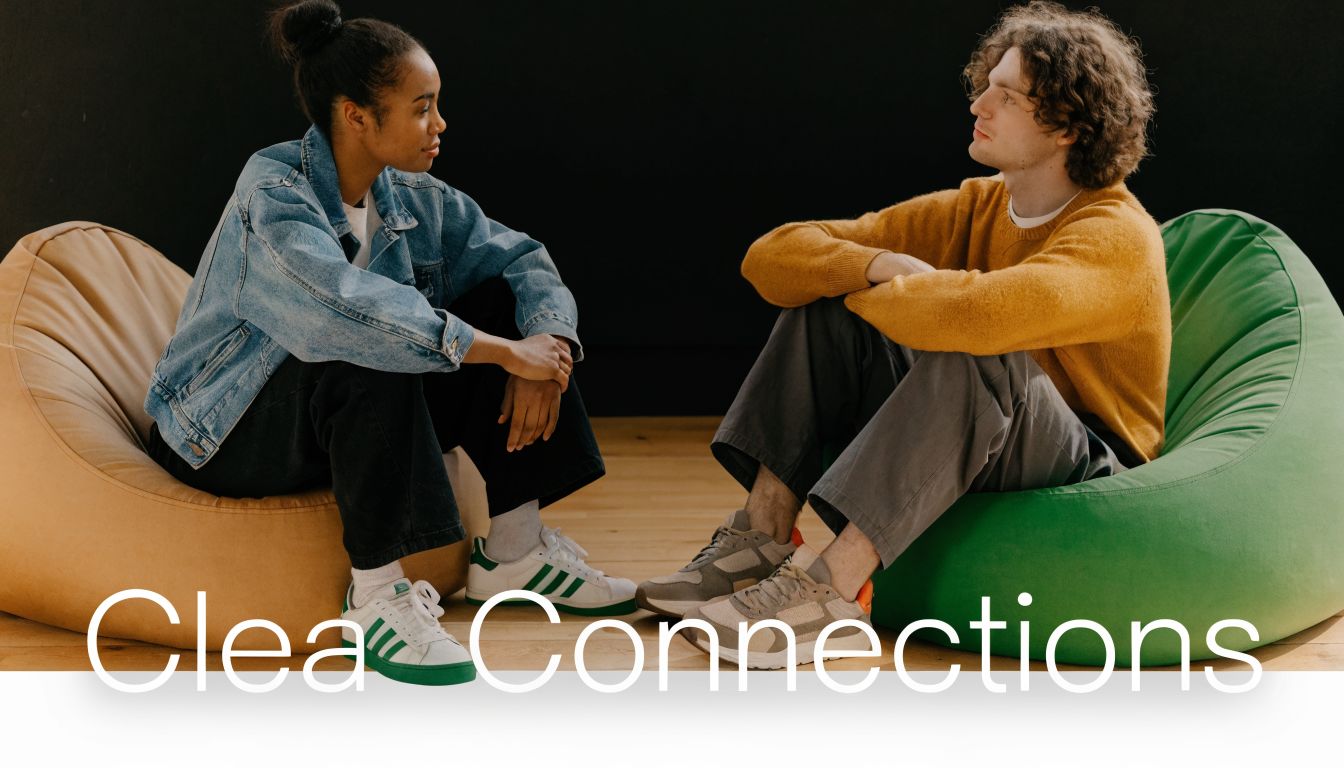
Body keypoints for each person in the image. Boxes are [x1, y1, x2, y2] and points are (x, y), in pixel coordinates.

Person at [637, 0, 1169, 670]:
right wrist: (870, 265)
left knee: (982, 352)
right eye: (985, 85)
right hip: (984, 432)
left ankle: (832, 591)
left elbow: (983, 318)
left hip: (1087, 461)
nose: (980, 103)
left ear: (1066, 123)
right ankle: (761, 540)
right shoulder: (977, 205)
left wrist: (874, 287)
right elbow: (771, 256)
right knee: (823, 305)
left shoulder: (1117, 234)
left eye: (1006, 95)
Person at [142, 0, 636, 687]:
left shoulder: (408, 196)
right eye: (422, 107)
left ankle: (516, 554)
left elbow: (523, 257)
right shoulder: (273, 192)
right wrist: (498, 353)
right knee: (368, 347)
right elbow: (341, 313)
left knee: (503, 305)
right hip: (220, 431)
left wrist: (543, 343)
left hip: (322, 421)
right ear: (356, 117)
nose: (440, 124)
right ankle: (375, 598)